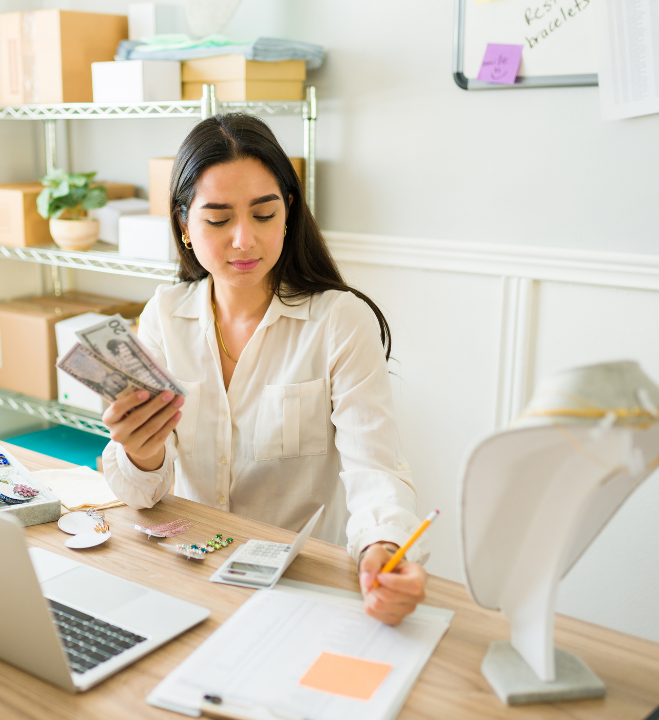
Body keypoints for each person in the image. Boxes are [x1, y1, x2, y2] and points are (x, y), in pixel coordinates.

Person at [100, 113, 428, 626]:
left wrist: (381, 547)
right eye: (218, 219)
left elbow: (376, 469)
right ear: (184, 226)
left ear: (289, 212)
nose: (244, 241)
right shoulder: (164, 315)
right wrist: (141, 453)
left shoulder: (339, 321)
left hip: (297, 588)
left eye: (263, 214)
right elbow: (141, 496)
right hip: (187, 575)